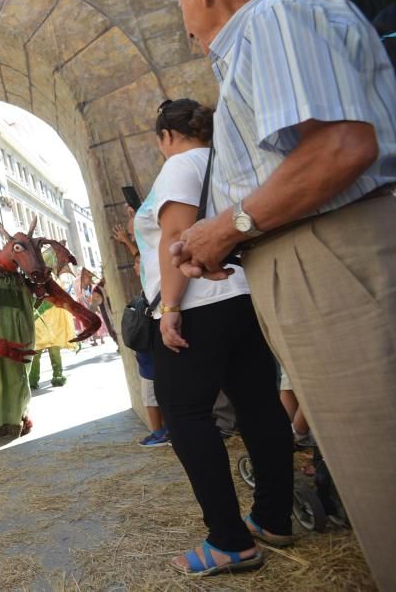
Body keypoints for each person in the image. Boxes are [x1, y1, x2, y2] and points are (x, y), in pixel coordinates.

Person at [171, 0, 396, 586]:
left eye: (181, 4)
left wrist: (232, 224)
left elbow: (339, 149)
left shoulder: (268, 20)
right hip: (325, 254)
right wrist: (233, 233)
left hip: (336, 260)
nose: (185, 23)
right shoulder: (281, 24)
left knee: (380, 467)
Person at [136, 97, 293, 576]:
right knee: (259, 405)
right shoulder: (229, 159)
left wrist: (169, 308)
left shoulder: (181, 165)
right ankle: (273, 517)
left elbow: (176, 238)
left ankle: (229, 539)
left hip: (199, 300)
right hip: (243, 294)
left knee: (184, 413)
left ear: (167, 136)